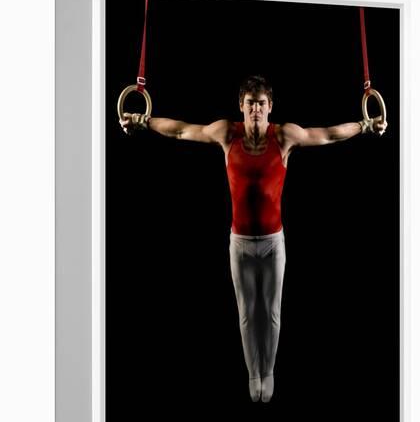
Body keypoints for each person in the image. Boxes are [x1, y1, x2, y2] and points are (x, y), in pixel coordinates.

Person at [119, 75, 387, 403]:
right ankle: (253, 374)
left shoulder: (284, 136)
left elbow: (328, 135)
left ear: (270, 107)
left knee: (271, 312)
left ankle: (269, 371)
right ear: (241, 107)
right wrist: (143, 121)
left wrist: (365, 125)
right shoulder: (226, 133)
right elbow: (180, 129)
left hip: (274, 243)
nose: (256, 110)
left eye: (262, 104)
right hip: (240, 244)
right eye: (251, 104)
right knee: (247, 313)